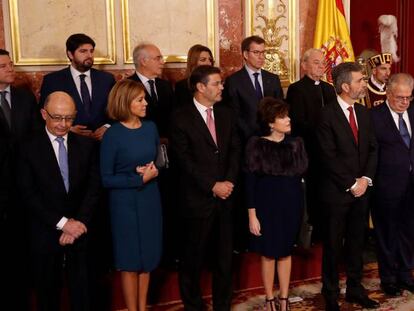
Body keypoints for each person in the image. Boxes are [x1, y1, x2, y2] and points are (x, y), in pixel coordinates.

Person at [17, 91, 101, 311]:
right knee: (47, 294)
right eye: (57, 117)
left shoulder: (86, 145)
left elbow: (93, 189)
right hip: (44, 231)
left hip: (81, 232)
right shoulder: (27, 147)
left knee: (84, 293)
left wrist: (78, 223)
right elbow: (28, 194)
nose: (63, 124)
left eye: (69, 118)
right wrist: (64, 223)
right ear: (44, 114)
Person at [170, 65, 240, 311]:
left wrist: (228, 182)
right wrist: (212, 185)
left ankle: (223, 304)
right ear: (200, 87)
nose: (222, 87)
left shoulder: (226, 114)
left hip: (226, 197)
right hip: (197, 200)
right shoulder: (180, 117)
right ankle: (194, 305)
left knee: (224, 259)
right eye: (217, 84)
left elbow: (234, 150)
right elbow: (184, 160)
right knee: (192, 258)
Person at [316, 62, 379, 311]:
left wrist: (365, 180)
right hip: (336, 193)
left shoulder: (364, 113)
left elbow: (373, 148)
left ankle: (355, 289)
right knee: (333, 245)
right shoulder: (326, 115)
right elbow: (327, 156)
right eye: (360, 80)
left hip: (362, 191)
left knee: (357, 244)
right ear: (345, 86)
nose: (364, 84)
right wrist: (351, 183)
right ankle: (330, 294)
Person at [100, 79, 162, 311]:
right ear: (125, 102)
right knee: (130, 260)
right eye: (140, 99)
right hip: (124, 204)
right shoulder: (113, 135)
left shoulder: (151, 128)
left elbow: (158, 161)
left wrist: (151, 171)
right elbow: (106, 178)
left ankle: (142, 307)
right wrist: (137, 178)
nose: (145, 103)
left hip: (150, 198)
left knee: (147, 257)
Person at [246, 97, 308, 311]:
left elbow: (301, 175)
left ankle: (284, 297)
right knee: (269, 253)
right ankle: (269, 298)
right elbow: (250, 182)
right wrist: (252, 214)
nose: (289, 119)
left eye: (288, 115)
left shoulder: (296, 143)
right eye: (283, 117)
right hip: (266, 206)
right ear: (271, 122)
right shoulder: (257, 145)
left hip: (292, 204)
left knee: (285, 252)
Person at [0, 48, 42, 310]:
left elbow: (37, 138)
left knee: (24, 253)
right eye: (4, 66)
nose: (10, 68)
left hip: (25, 186)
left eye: (11, 64)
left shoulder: (25, 98)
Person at [286, 48, 337, 241]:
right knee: (313, 196)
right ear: (304, 65)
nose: (321, 66)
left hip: (330, 154)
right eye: (316, 62)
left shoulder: (329, 88)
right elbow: (298, 122)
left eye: (323, 62)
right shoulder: (296, 89)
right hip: (310, 152)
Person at [371, 73, 414, 296]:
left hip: (411, 186)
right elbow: (370, 154)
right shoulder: (375, 117)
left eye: (408, 97)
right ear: (388, 94)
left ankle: (405, 275)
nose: (405, 102)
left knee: (408, 232)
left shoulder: (413, 112)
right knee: (386, 234)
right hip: (385, 187)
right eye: (400, 97)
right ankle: (388, 278)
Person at [40, 33, 116, 140]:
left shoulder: (107, 79)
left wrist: (108, 127)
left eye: (91, 51)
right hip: (70, 143)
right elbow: (44, 115)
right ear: (70, 54)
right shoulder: (53, 81)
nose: (89, 55)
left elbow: (118, 110)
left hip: (102, 143)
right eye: (83, 51)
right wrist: (67, 128)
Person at [224, 35, 283, 144]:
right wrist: (254, 138)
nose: (261, 57)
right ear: (246, 54)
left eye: (263, 52)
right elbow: (234, 115)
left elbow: (279, 110)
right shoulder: (233, 81)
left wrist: (272, 134)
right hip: (246, 141)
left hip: (273, 140)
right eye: (256, 52)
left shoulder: (273, 79)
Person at [128, 42, 174, 138]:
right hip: (139, 139)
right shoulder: (127, 86)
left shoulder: (166, 85)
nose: (162, 62)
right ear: (143, 61)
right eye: (158, 58)